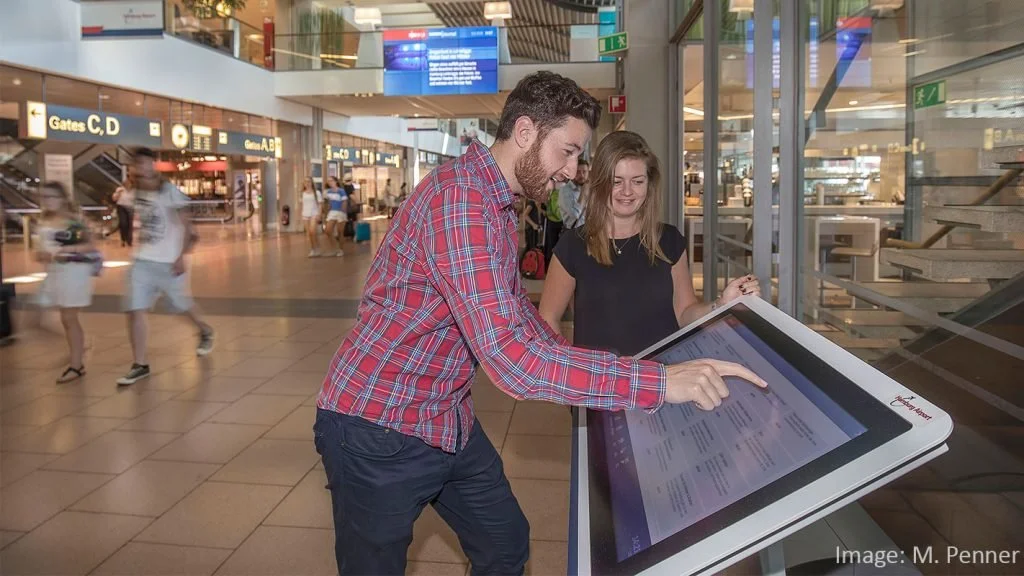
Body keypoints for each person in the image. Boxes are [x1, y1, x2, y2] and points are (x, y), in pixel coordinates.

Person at [313, 71, 767, 576]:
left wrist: (604, 368)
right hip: (378, 424)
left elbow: (521, 322)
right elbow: (514, 362)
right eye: (567, 152)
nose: (573, 171)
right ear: (526, 132)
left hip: (444, 414)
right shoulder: (462, 203)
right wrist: (657, 382)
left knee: (505, 543)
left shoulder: (494, 203)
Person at [538, 131, 761, 357]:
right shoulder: (573, 246)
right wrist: (570, 369)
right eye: (616, 182)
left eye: (637, 181)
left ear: (649, 184)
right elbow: (548, 319)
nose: (627, 191)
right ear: (600, 183)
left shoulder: (669, 240)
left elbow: (684, 312)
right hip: (604, 378)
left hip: (664, 374)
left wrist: (720, 305)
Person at [117, 147, 214, 386]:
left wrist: (181, 256)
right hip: (142, 260)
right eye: (137, 164)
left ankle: (204, 330)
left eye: (145, 163)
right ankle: (140, 364)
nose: (142, 168)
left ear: (153, 164)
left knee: (180, 305)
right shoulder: (135, 191)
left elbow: (189, 229)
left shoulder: (169, 191)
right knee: (135, 309)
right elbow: (121, 203)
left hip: (169, 262)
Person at [34, 182, 101, 383]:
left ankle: (76, 364)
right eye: (44, 197)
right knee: (45, 320)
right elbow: (42, 249)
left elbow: (90, 245)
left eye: (52, 196)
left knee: (69, 318)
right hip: (55, 273)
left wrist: (67, 251)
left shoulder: (72, 220)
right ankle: (79, 349)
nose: (47, 201)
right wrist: (43, 255)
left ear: (62, 198)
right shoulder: (44, 220)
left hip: (74, 273)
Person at [558, 157, 588, 230]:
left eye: (584, 172)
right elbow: (575, 214)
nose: (582, 175)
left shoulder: (586, 188)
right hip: (573, 232)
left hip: (586, 230)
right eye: (578, 172)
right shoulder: (565, 190)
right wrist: (583, 193)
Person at [322, 176, 348, 257]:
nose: (330, 182)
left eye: (331, 181)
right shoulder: (328, 192)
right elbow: (329, 202)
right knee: (328, 230)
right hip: (332, 212)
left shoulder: (341, 191)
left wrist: (343, 212)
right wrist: (327, 212)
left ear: (336, 181)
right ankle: (335, 247)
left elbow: (344, 201)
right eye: (328, 181)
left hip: (340, 212)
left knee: (340, 232)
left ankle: (341, 249)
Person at [300, 177, 323, 257]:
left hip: (314, 214)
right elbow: (301, 204)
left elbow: (320, 204)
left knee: (313, 231)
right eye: (305, 182)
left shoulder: (317, 193)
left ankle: (317, 248)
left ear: (312, 183)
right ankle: (313, 249)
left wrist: (319, 214)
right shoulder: (302, 193)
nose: (307, 183)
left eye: (309, 181)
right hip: (305, 214)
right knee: (309, 233)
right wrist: (301, 214)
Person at [112, 178, 135, 247]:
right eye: (126, 183)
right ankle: (123, 240)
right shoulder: (120, 189)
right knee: (123, 223)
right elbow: (114, 199)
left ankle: (129, 241)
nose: (128, 184)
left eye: (129, 183)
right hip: (121, 207)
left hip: (130, 207)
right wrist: (119, 193)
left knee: (130, 225)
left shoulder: (134, 191)